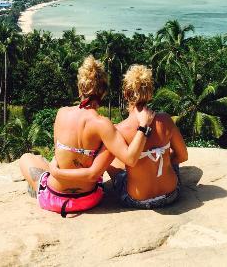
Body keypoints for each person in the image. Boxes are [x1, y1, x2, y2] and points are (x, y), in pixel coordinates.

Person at [19, 56, 154, 217]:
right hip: (89, 198)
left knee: (27, 158)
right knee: (111, 156)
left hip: (53, 198)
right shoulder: (103, 125)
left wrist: (55, 171)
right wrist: (143, 126)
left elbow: (60, 158)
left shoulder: (62, 113)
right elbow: (128, 159)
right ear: (103, 93)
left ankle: (38, 186)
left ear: (79, 88)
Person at [50, 64, 188, 209]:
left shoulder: (120, 129)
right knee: (167, 153)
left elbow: (107, 166)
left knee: (112, 161)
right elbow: (183, 156)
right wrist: (163, 162)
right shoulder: (166, 120)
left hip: (136, 199)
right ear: (150, 92)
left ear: (126, 94)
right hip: (171, 194)